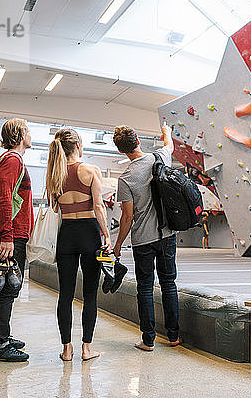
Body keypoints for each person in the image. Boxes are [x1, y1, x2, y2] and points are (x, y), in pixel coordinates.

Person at [112, 123, 181, 351]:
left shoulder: (126, 178)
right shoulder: (159, 157)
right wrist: (166, 132)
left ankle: (148, 340)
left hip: (143, 240)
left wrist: (118, 244)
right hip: (167, 234)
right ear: (138, 141)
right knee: (169, 284)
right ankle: (173, 336)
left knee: (145, 288)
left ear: (122, 151)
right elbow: (169, 145)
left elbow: (127, 216)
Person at [46, 129, 112, 361]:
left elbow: (55, 208)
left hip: (67, 235)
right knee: (90, 294)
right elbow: (99, 207)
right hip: (89, 234)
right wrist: (107, 236)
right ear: (77, 145)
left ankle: (66, 349)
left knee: (65, 294)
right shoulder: (90, 170)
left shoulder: (54, 174)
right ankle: (86, 348)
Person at [0, 118, 34, 362]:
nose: (30, 135)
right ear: (19, 135)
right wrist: (7, 235)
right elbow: (3, 198)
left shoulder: (14, 159)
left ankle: (3, 335)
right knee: (9, 289)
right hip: (13, 235)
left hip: (16, 234)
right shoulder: (12, 160)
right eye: (27, 131)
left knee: (11, 289)